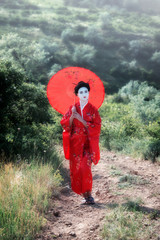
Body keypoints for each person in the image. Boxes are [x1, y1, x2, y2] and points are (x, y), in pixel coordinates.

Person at [60, 81, 101, 204]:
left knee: (85, 168)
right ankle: (84, 196)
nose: (84, 94)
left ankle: (89, 195)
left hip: (87, 144)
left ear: (89, 93)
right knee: (76, 170)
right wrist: (72, 116)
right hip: (75, 144)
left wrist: (81, 119)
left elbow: (97, 126)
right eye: (81, 92)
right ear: (77, 94)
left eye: (86, 92)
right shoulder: (72, 108)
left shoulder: (93, 110)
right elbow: (64, 123)